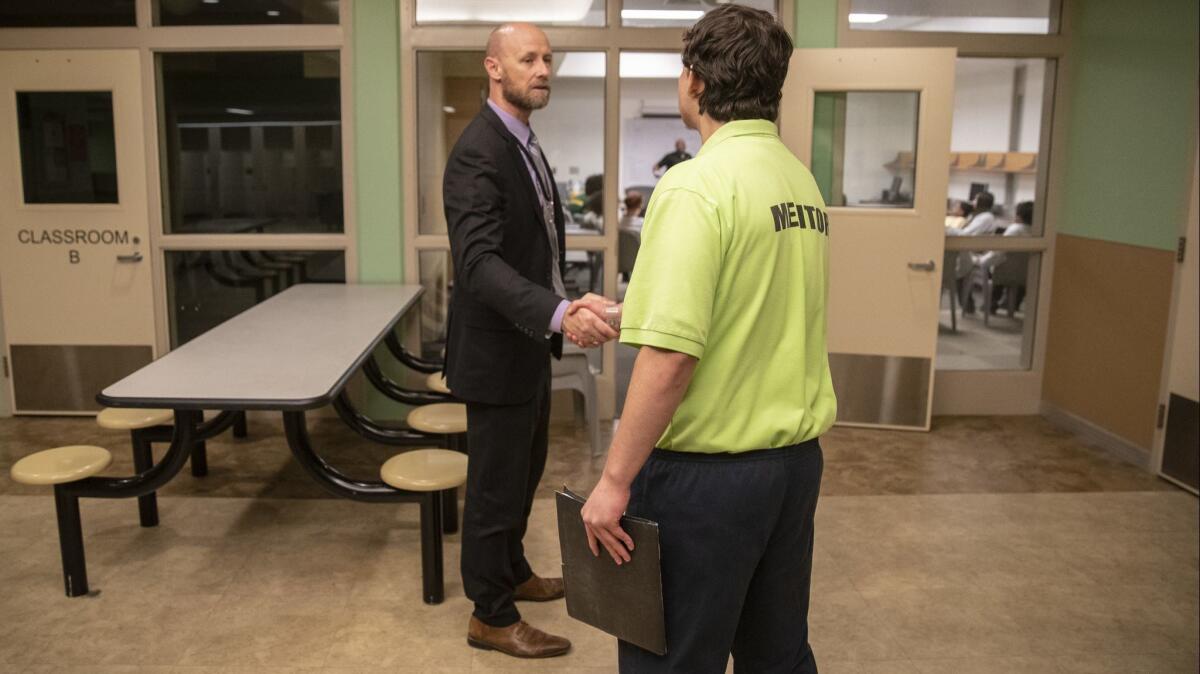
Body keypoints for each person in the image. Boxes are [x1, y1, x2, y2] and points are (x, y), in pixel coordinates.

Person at [579, 6, 836, 672]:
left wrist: (613, 481)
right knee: (774, 654)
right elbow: (754, 302)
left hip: (707, 482)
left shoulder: (696, 186)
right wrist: (638, 308)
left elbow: (669, 361)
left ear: (694, 83)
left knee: (672, 657)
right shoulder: (798, 183)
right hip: (791, 469)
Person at [441, 22, 619, 659]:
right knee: (494, 488)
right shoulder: (478, 151)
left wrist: (572, 297)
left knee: (523, 475)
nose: (543, 69)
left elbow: (533, 246)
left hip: (525, 348)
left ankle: (512, 569)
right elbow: (480, 263)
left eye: (547, 58)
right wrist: (559, 311)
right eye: (528, 59)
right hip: (494, 354)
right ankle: (490, 613)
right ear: (494, 68)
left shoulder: (525, 144)